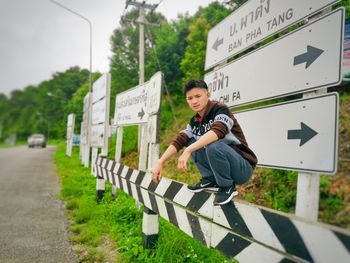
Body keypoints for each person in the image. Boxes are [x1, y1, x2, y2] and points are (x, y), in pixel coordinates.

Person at [151, 79, 257, 205]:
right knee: (190, 141)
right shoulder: (194, 121)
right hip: (224, 166)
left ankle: (227, 187)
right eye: (190, 98)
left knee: (212, 144)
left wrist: (188, 150)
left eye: (198, 96)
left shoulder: (221, 109)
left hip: (242, 167)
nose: (194, 101)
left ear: (208, 95)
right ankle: (211, 179)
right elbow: (179, 140)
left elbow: (218, 131)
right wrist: (160, 162)